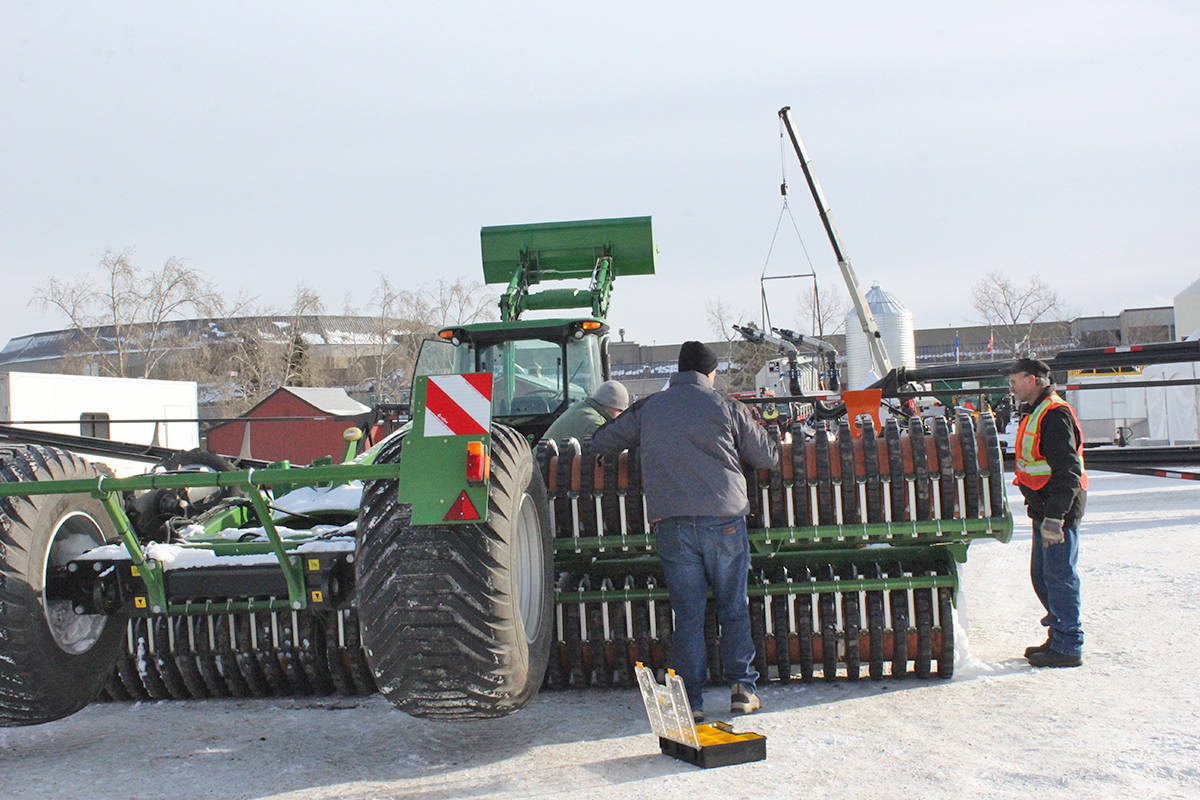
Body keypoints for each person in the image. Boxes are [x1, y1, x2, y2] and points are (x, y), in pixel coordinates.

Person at [591, 341, 778, 720]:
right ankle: (742, 689)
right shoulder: (726, 406)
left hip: (673, 524)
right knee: (733, 607)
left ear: (677, 371)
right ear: (709, 373)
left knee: (688, 615)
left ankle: (691, 701)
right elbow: (767, 457)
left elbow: (603, 442)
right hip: (724, 521)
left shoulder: (650, 407)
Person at [1003, 357, 1087, 668]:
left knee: (1059, 577)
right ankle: (1058, 636)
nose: (1011, 385)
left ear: (1035, 379)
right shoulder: (1036, 412)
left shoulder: (1054, 415)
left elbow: (1068, 471)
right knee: (1042, 576)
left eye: (1016, 379)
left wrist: (1056, 518)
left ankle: (1068, 645)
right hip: (1044, 510)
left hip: (1058, 513)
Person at [542, 380, 630, 443]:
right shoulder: (595, 424)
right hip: (544, 467)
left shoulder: (582, 408)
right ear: (613, 407)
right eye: (621, 412)